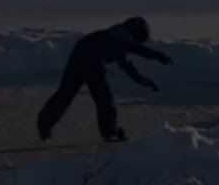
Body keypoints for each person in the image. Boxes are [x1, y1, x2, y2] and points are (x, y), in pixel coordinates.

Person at [36, 16, 173, 142]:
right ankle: (44, 124)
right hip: (80, 60)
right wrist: (145, 82)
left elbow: (137, 49)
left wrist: (158, 56)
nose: (135, 42)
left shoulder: (121, 35)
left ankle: (109, 132)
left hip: (95, 62)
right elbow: (128, 68)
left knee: (104, 99)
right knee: (68, 94)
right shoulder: (117, 41)